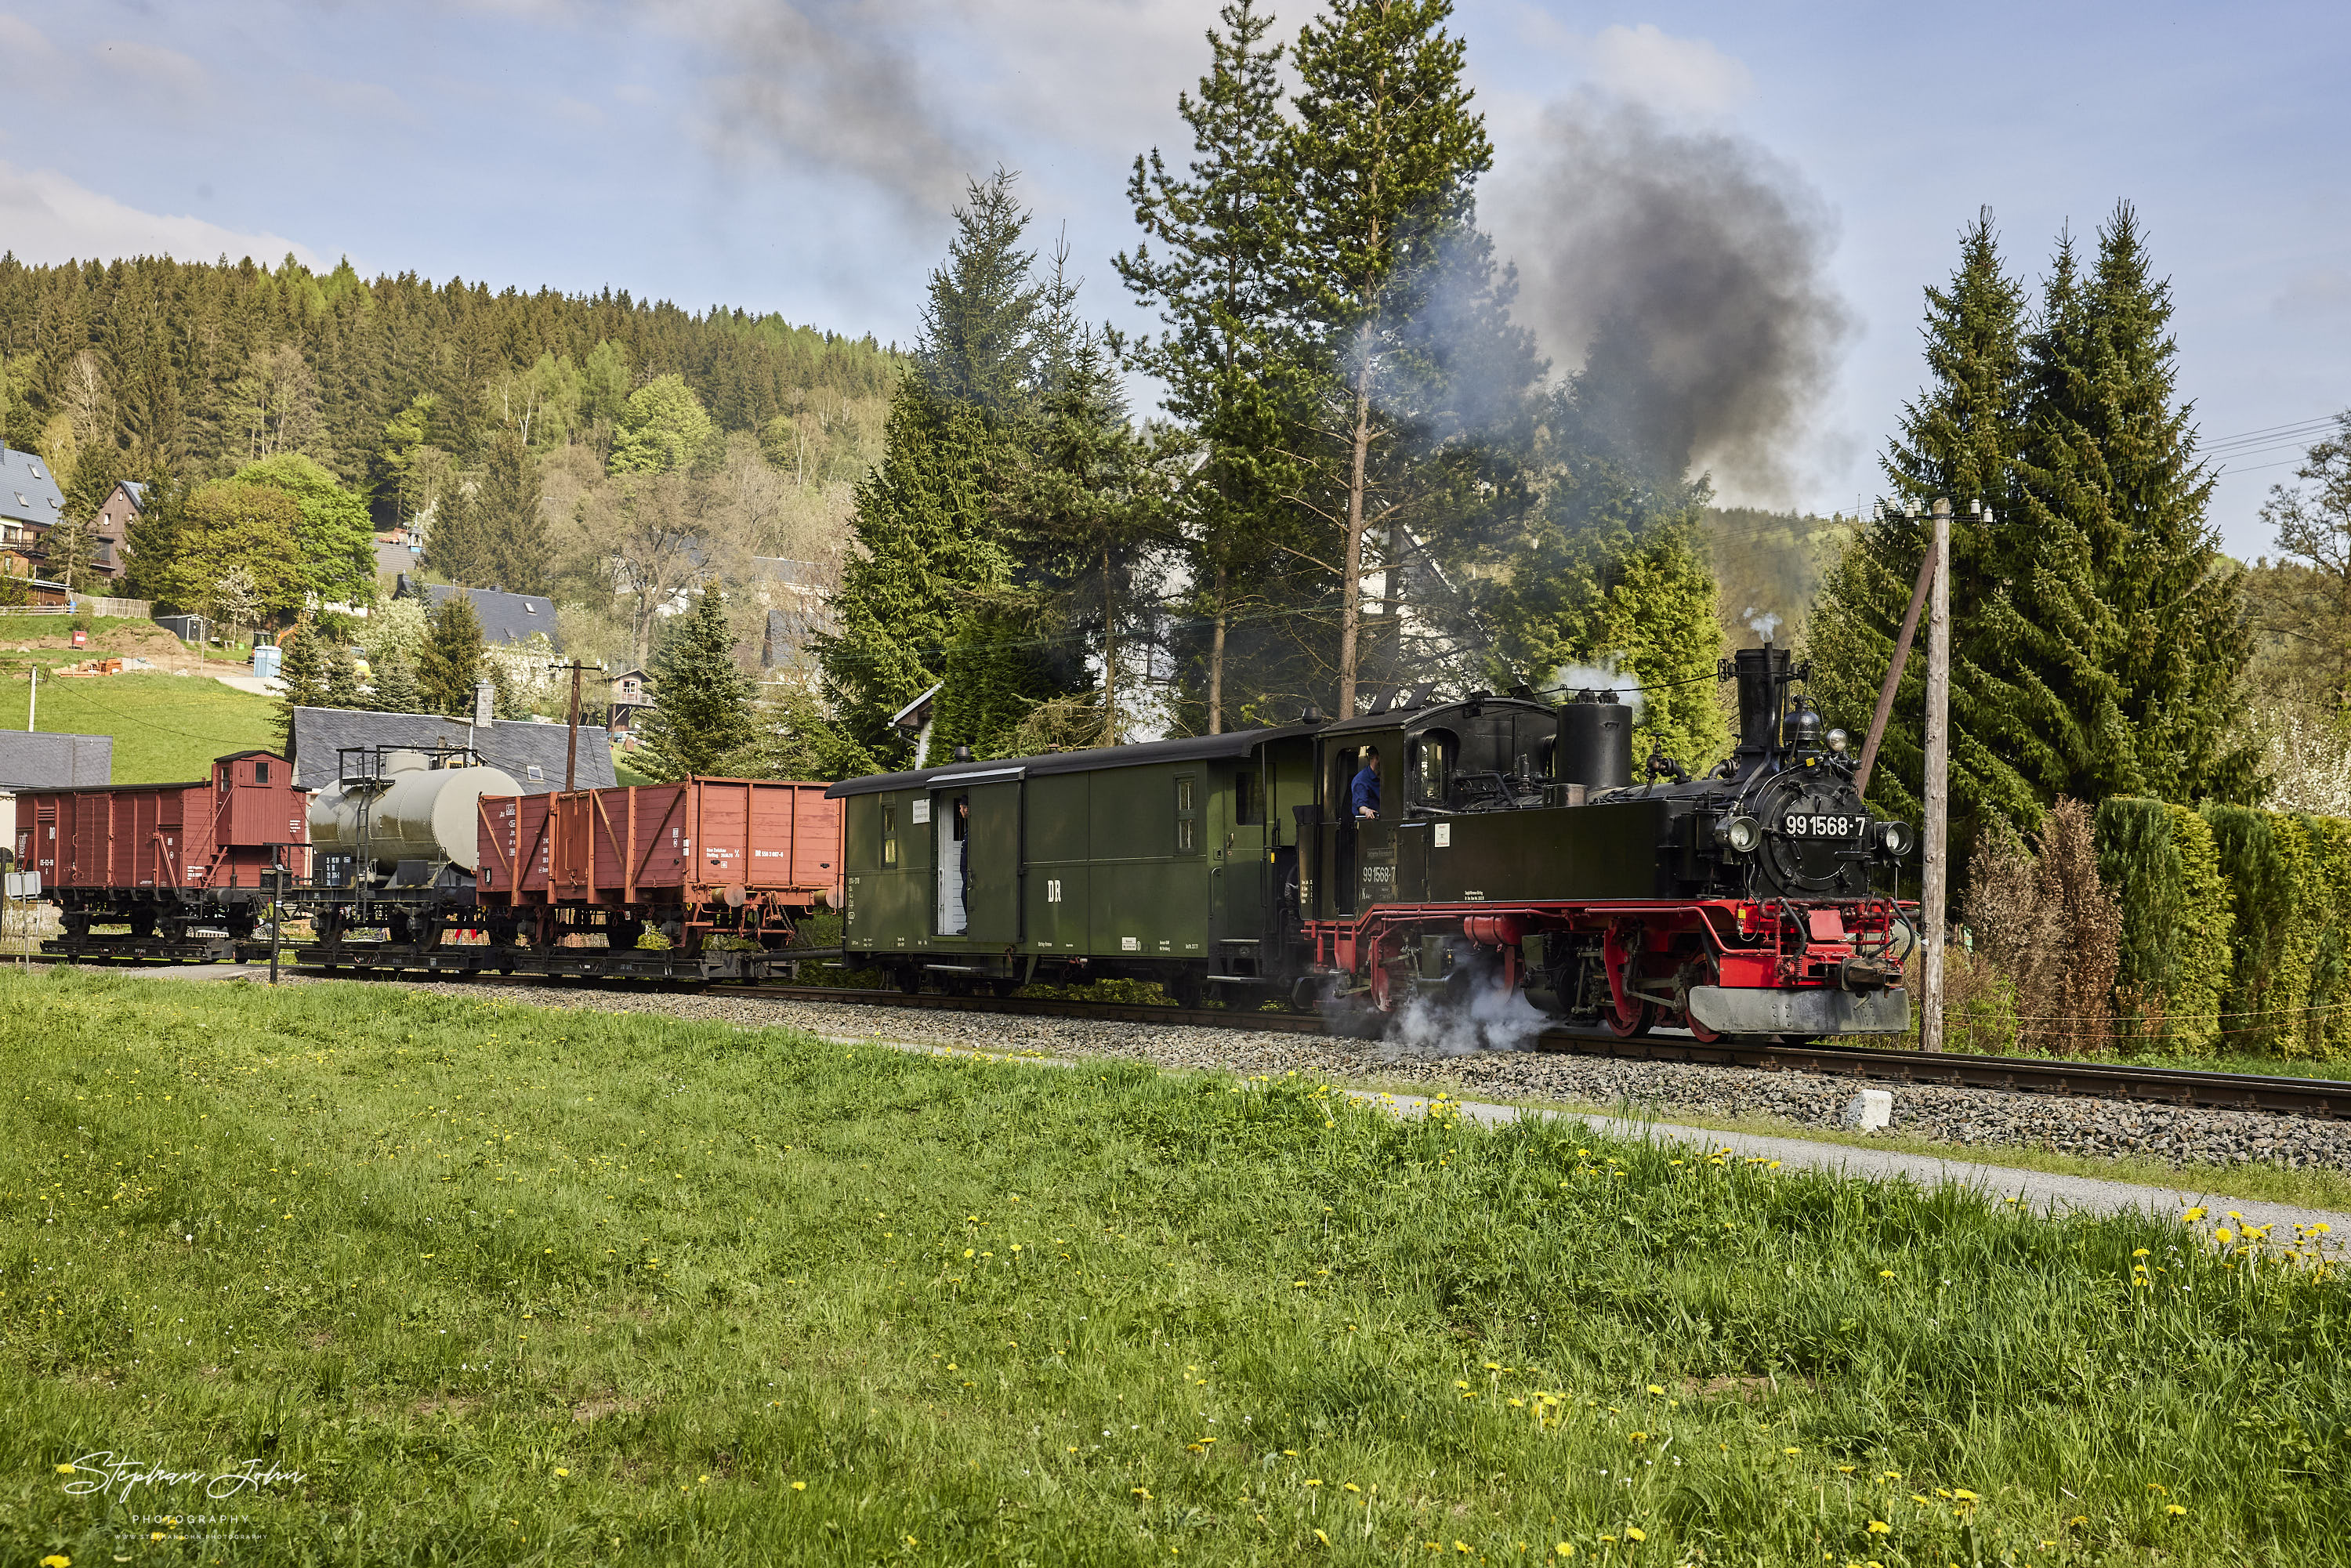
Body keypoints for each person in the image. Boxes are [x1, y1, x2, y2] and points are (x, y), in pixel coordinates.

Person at [1350, 746, 1382, 820]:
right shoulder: (1361, 780)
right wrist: (1367, 810)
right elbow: (1361, 807)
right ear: (1376, 758)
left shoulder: (1382, 776)